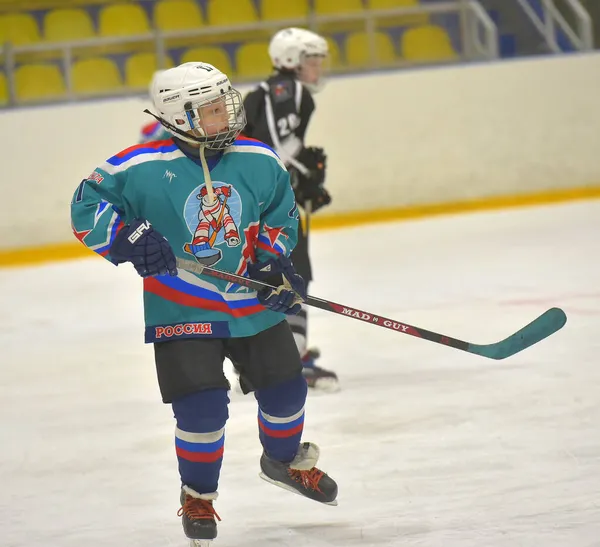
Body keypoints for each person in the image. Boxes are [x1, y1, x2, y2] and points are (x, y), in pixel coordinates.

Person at [70, 61, 338, 546]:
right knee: (202, 409)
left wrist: (273, 260)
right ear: (180, 115)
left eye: (224, 104)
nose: (227, 116)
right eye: (213, 110)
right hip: (181, 304)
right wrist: (127, 235)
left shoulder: (258, 159)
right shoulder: (139, 166)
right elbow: (86, 204)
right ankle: (198, 496)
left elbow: (279, 216)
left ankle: (282, 461)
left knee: (286, 391)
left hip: (250, 302)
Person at [241, 27, 339, 392]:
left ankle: (268, 355)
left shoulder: (266, 92)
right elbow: (280, 149)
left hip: (258, 200)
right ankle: (289, 362)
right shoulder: (292, 91)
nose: (316, 69)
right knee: (293, 272)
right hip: (274, 203)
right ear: (291, 62)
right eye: (311, 61)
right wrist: (305, 178)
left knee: (273, 272)